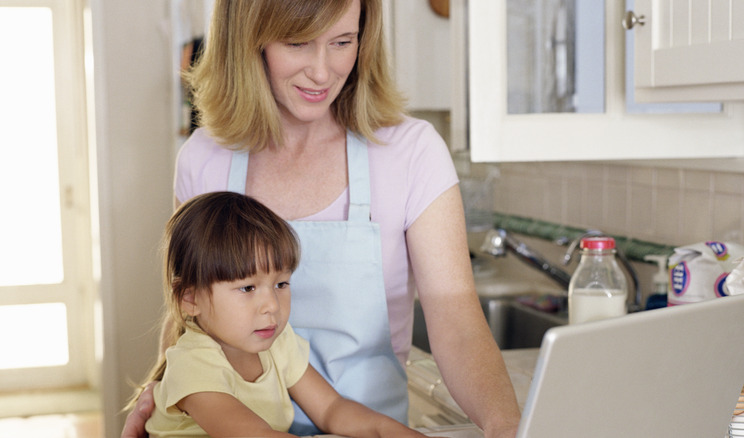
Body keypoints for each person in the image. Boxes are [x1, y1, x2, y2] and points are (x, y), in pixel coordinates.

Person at [124, 0, 521, 436]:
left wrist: (508, 427)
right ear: (248, 40)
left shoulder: (412, 153)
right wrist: (159, 390)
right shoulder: (204, 158)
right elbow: (188, 315)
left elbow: (457, 319)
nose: (321, 71)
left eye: (342, 42)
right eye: (297, 42)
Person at [131, 191, 430, 438]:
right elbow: (254, 435)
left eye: (281, 284)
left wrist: (390, 431)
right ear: (190, 298)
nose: (272, 305)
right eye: (247, 288)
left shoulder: (279, 343)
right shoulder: (192, 363)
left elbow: (331, 409)